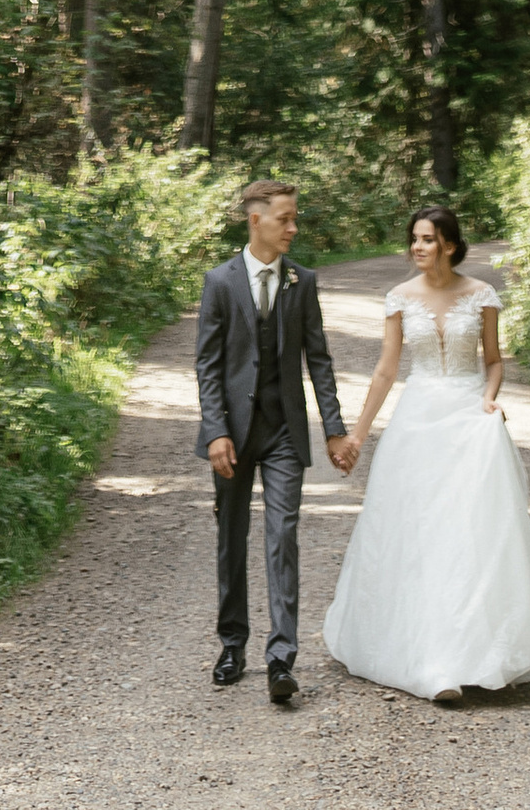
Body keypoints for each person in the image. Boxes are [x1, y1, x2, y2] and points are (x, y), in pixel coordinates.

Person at [322, 201, 530, 704]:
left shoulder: (481, 294)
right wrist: (357, 433)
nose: (416, 248)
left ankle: (477, 653)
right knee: (417, 531)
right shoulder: (398, 297)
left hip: (468, 417)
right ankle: (427, 659)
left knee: (471, 532)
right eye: (413, 239)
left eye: (425, 239)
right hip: (418, 421)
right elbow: (385, 370)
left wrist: (490, 400)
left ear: (449, 244)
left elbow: (492, 361)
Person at [193, 178, 358, 706]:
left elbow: (320, 359)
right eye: (285, 218)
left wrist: (333, 427)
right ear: (255, 219)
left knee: (282, 537)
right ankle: (232, 646)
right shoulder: (219, 282)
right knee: (231, 539)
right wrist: (216, 430)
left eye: (294, 218)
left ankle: (281, 657)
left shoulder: (301, 282)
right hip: (234, 437)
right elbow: (208, 365)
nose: (293, 228)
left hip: (285, 430)